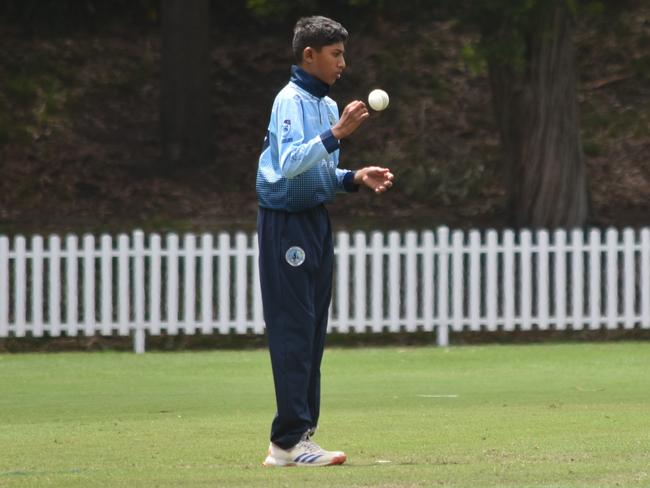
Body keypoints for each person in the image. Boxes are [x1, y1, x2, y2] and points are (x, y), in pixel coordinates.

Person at [256, 15, 394, 467]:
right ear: (308, 55)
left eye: (343, 54)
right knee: (293, 331)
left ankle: (295, 441)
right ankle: (289, 440)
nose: (342, 63)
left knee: (313, 333)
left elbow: (316, 174)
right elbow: (291, 162)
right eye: (335, 55)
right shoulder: (289, 100)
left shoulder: (329, 106)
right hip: (285, 224)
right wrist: (336, 136)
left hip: (314, 220)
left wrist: (353, 177)